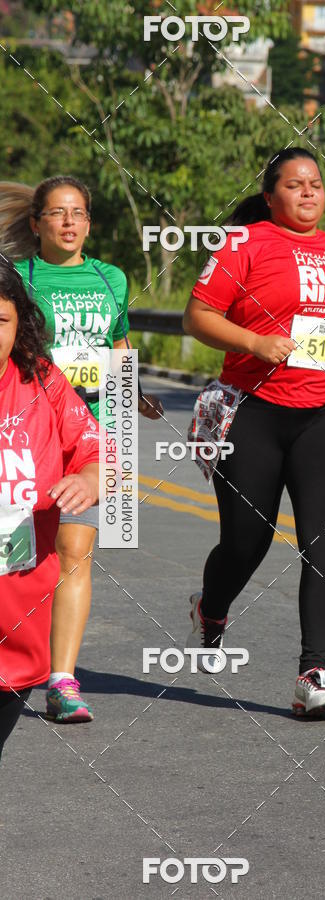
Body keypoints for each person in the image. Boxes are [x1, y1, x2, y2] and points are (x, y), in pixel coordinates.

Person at [183, 147, 325, 717]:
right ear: (271, 197)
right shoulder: (243, 244)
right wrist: (255, 343)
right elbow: (196, 317)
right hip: (255, 411)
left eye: (316, 184)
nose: (309, 193)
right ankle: (211, 609)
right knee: (249, 539)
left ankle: (313, 674)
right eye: (295, 185)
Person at [0, 175, 163, 723]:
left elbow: (117, 348)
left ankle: (62, 678)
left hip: (92, 428)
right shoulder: (18, 278)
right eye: (58, 213)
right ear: (36, 223)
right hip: (29, 431)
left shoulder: (110, 277)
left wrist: (130, 400)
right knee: (29, 556)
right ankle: (20, 657)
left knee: (76, 551)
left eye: (80, 214)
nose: (70, 222)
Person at [0, 257, 100, 760]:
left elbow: (92, 445)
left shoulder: (41, 379)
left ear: (19, 325)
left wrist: (89, 475)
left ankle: (59, 676)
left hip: (18, 611)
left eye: (0, 321)